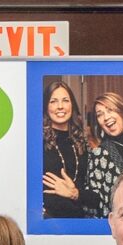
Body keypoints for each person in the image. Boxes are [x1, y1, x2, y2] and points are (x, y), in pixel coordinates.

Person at [40, 81, 95, 220]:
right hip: (48, 221)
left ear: (72, 105)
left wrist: (74, 193)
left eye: (65, 100)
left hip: (78, 219)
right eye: (53, 101)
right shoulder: (37, 141)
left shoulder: (82, 142)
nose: (60, 106)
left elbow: (95, 195)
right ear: (46, 107)